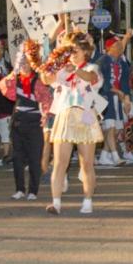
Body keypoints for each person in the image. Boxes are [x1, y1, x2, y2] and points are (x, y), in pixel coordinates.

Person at [41, 31, 105, 215]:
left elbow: (91, 79)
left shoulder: (92, 67)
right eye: (70, 50)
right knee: (60, 162)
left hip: (86, 114)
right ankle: (56, 202)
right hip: (65, 115)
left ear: (86, 51)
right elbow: (47, 79)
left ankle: (87, 200)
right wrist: (48, 67)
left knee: (86, 163)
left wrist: (75, 70)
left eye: (76, 50)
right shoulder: (63, 70)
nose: (73, 53)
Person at [0, 39, 51, 201]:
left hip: (34, 122)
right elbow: (3, 86)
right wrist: (13, 72)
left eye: (27, 63)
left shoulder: (38, 81)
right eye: (22, 64)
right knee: (18, 158)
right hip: (18, 121)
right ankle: (19, 189)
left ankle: (33, 190)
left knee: (35, 158)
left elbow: (47, 100)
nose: (24, 66)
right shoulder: (16, 80)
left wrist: (45, 115)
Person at [98, 30, 133, 166]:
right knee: (111, 127)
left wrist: (126, 97)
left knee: (116, 128)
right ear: (109, 47)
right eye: (117, 46)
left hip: (117, 98)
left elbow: (125, 81)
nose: (120, 48)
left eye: (121, 46)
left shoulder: (121, 62)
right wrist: (117, 91)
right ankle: (115, 156)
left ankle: (104, 155)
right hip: (105, 97)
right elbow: (101, 81)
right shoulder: (103, 61)